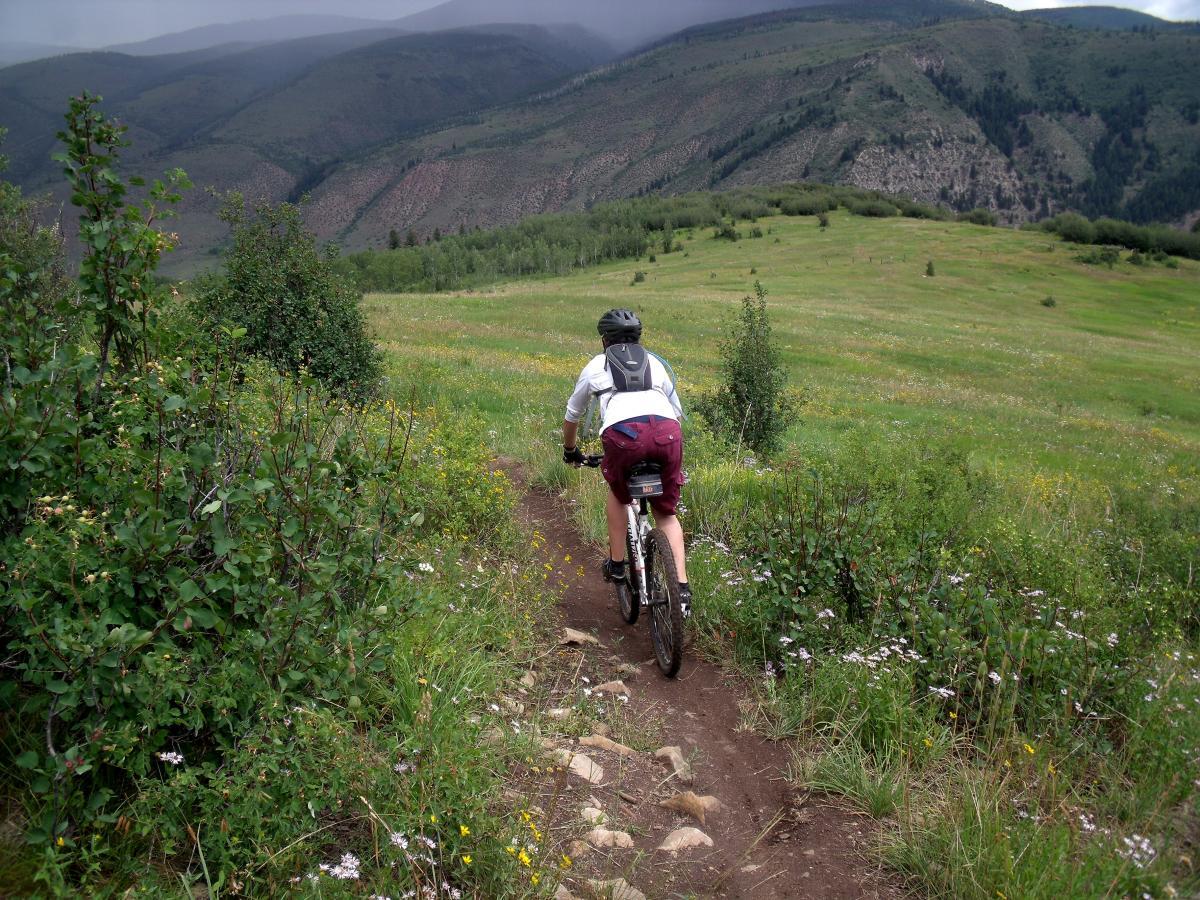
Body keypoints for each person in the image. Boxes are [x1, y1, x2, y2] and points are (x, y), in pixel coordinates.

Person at [561, 309, 690, 615]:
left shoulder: (596, 365)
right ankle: (682, 592)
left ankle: (617, 566)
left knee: (619, 495)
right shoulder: (655, 363)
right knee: (666, 514)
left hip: (624, 436)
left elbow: (572, 414)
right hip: (667, 434)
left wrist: (570, 450)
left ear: (605, 339)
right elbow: (677, 410)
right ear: (638, 338)